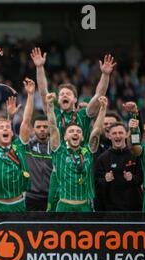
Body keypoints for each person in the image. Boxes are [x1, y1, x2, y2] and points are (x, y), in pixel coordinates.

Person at [31, 47, 116, 211]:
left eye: (68, 94)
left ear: (75, 99)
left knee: (83, 208)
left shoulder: (84, 115)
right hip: (59, 170)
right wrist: (40, 67)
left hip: (81, 164)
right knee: (53, 213)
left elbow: (98, 97)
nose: (63, 95)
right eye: (61, 93)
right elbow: (43, 92)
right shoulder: (54, 113)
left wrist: (105, 75)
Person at [46, 93, 107, 212]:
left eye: (78, 131)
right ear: (64, 137)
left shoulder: (88, 151)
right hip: (64, 206)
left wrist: (103, 109)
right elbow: (53, 127)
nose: (75, 133)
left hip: (85, 206)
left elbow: (97, 131)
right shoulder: (59, 151)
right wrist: (49, 106)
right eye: (71, 131)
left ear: (83, 137)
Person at [0, 78, 35, 212]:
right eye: (0, 127)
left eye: (7, 127)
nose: (5, 129)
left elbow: (26, 122)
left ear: (12, 132)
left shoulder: (18, 146)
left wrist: (30, 95)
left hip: (18, 204)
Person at [94, 122, 142, 211]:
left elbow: (142, 177)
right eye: (114, 133)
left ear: (127, 134)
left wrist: (133, 178)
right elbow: (96, 182)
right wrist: (105, 180)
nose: (117, 136)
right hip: (110, 209)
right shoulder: (102, 158)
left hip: (134, 207)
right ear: (109, 136)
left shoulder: (135, 155)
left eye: (120, 133)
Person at [25, 115, 53, 212]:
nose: (42, 129)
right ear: (33, 129)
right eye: (38, 127)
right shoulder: (27, 146)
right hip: (31, 197)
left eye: (45, 127)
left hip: (51, 197)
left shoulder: (56, 147)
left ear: (50, 128)